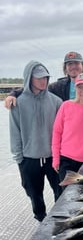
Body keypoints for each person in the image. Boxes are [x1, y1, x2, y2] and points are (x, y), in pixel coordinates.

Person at [9, 61, 63, 222]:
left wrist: (60, 154)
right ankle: (40, 219)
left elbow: (62, 131)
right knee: (34, 193)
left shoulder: (56, 102)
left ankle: (59, 220)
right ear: (29, 78)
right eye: (38, 77)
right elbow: (15, 131)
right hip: (29, 159)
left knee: (60, 192)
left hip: (53, 158)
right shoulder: (17, 103)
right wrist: (19, 158)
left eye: (45, 78)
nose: (43, 81)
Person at [4, 51, 83, 107]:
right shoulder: (59, 86)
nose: (73, 66)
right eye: (70, 64)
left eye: (76, 63)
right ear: (65, 68)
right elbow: (36, 88)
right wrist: (14, 94)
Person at [52, 72, 83, 183]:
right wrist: (56, 158)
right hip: (67, 161)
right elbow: (57, 132)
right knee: (68, 197)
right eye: (79, 87)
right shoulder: (66, 106)